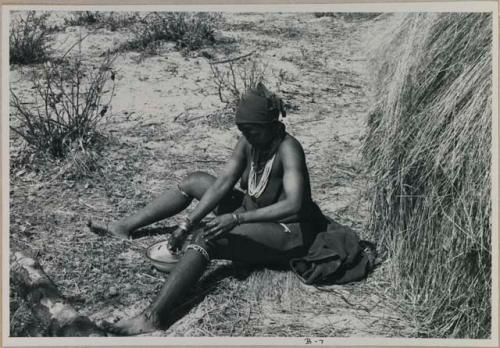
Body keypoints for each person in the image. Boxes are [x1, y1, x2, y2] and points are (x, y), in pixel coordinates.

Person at [88, 82, 328, 335]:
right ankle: (124, 227)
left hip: (288, 230)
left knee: (207, 237)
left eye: (252, 131)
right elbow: (223, 183)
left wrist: (236, 218)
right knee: (195, 181)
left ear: (270, 126)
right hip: (256, 208)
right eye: (242, 131)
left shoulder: (289, 148)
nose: (246, 137)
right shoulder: (250, 141)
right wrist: (187, 223)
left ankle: (154, 316)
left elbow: (294, 204)